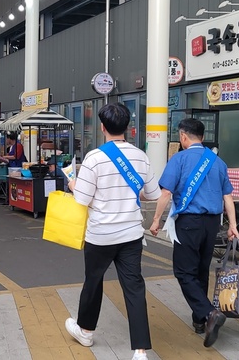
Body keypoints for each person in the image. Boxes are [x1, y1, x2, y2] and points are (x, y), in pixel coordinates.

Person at [65, 103, 162, 360]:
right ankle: (140, 351)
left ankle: (85, 331)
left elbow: (82, 200)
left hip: (100, 235)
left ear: (102, 127)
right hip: (131, 234)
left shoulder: (94, 158)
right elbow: (153, 194)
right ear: (128, 128)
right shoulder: (141, 156)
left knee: (93, 282)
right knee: (134, 287)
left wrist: (74, 183)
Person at [150, 118, 239, 348]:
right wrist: (233, 225)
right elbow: (228, 196)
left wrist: (156, 219)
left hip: (189, 222)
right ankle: (200, 321)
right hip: (212, 224)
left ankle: (209, 313)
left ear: (183, 137)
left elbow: (166, 193)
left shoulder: (179, 159)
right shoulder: (217, 162)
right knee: (201, 270)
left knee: (183, 272)